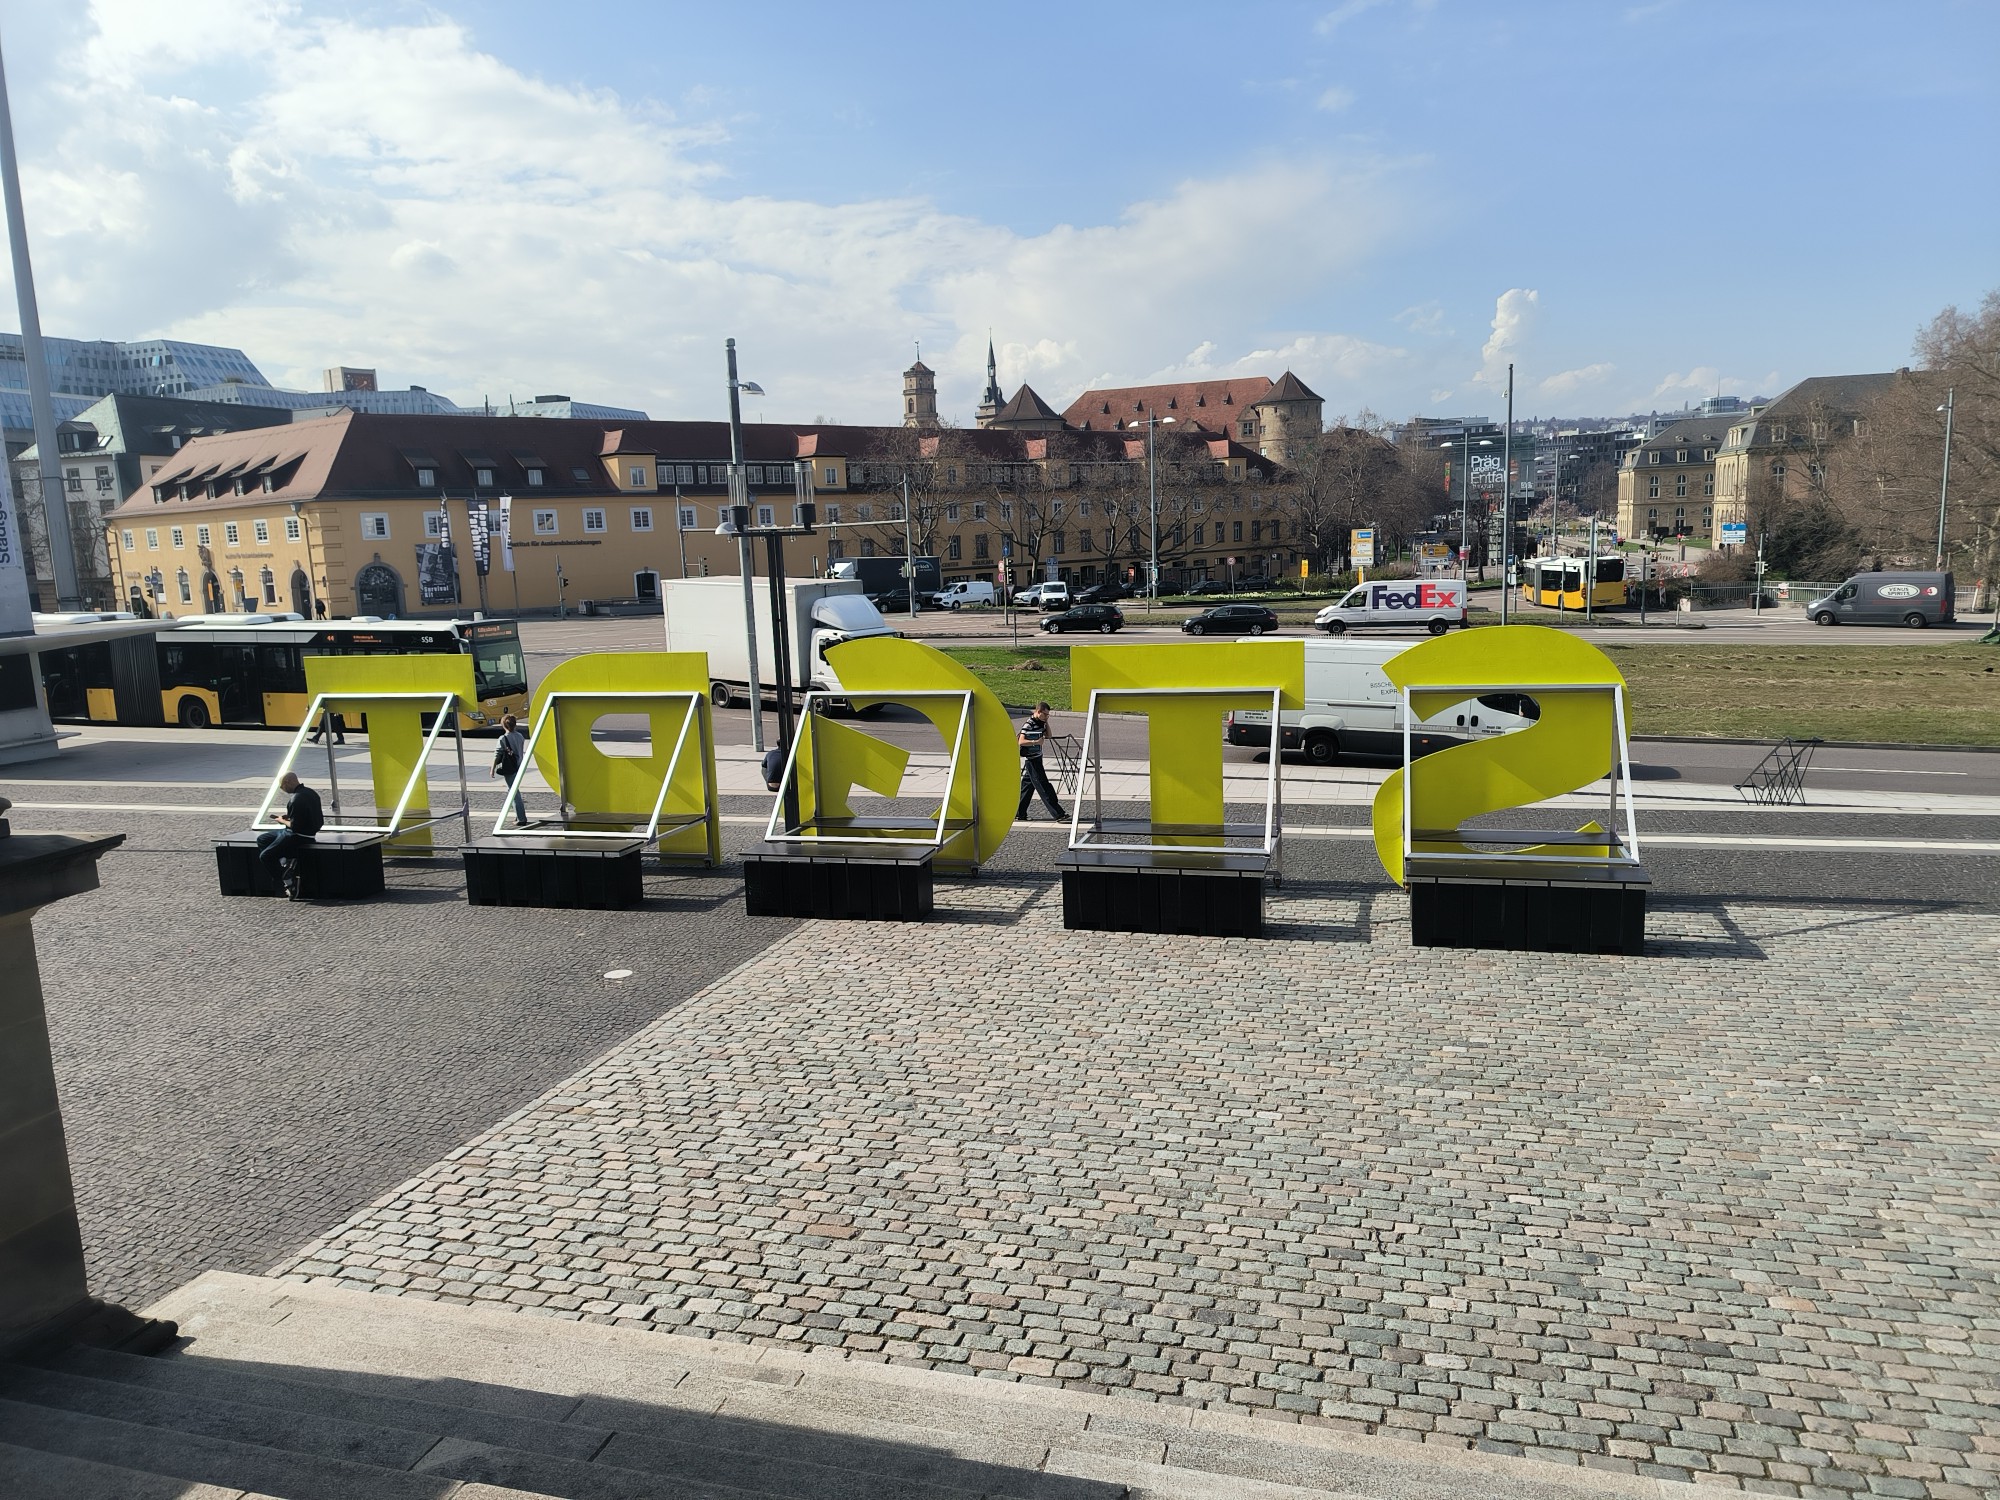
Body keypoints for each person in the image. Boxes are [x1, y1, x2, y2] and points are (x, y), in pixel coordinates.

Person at [257, 771, 323, 898]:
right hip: (309, 833)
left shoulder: (295, 799)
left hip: (297, 836)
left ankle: (287, 881)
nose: (283, 789)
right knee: (262, 839)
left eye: (282, 786)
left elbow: (295, 826)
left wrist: (281, 820)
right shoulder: (311, 793)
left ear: (287, 782)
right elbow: (307, 815)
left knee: (265, 856)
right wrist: (290, 817)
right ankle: (285, 860)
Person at [1016, 701, 1069, 821]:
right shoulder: (1029, 724)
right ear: (1038, 712)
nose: (1046, 716)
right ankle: (1058, 814)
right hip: (1032, 760)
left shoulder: (1041, 723)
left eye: (1048, 715)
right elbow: (1021, 741)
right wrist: (1035, 742)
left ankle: (1019, 813)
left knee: (1026, 788)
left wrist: (1046, 722)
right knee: (1044, 786)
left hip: (1037, 758)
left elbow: (1049, 736)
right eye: (1045, 714)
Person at [492, 712, 528, 826]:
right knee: (513, 790)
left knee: (514, 792)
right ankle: (518, 816)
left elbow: (497, 754)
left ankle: (521, 818)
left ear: (503, 725)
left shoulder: (503, 738)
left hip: (510, 767)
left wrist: (492, 768)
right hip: (520, 765)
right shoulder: (520, 736)